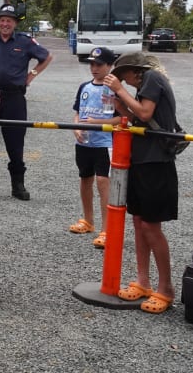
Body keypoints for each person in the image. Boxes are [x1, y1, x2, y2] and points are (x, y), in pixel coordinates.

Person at [103, 51, 180, 314]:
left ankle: (166, 287)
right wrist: (118, 104)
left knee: (150, 225)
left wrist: (120, 93)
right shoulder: (144, 85)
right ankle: (144, 281)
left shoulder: (152, 78)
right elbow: (136, 118)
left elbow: (145, 114)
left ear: (132, 70)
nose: (121, 80)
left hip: (155, 162)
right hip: (143, 160)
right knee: (138, 222)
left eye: (121, 74)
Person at [0, 3, 53, 200]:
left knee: (15, 145)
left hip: (15, 99)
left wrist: (31, 75)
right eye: (2, 20)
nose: (5, 24)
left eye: (8, 20)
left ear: (15, 23)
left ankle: (18, 186)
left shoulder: (25, 41)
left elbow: (47, 57)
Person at [69, 47, 120, 248]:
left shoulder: (113, 89)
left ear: (109, 66)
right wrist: (76, 128)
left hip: (104, 142)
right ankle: (88, 220)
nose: (94, 68)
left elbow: (121, 118)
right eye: (92, 64)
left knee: (102, 181)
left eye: (99, 64)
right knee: (85, 179)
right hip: (84, 142)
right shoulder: (84, 87)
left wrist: (96, 121)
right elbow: (76, 112)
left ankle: (107, 229)